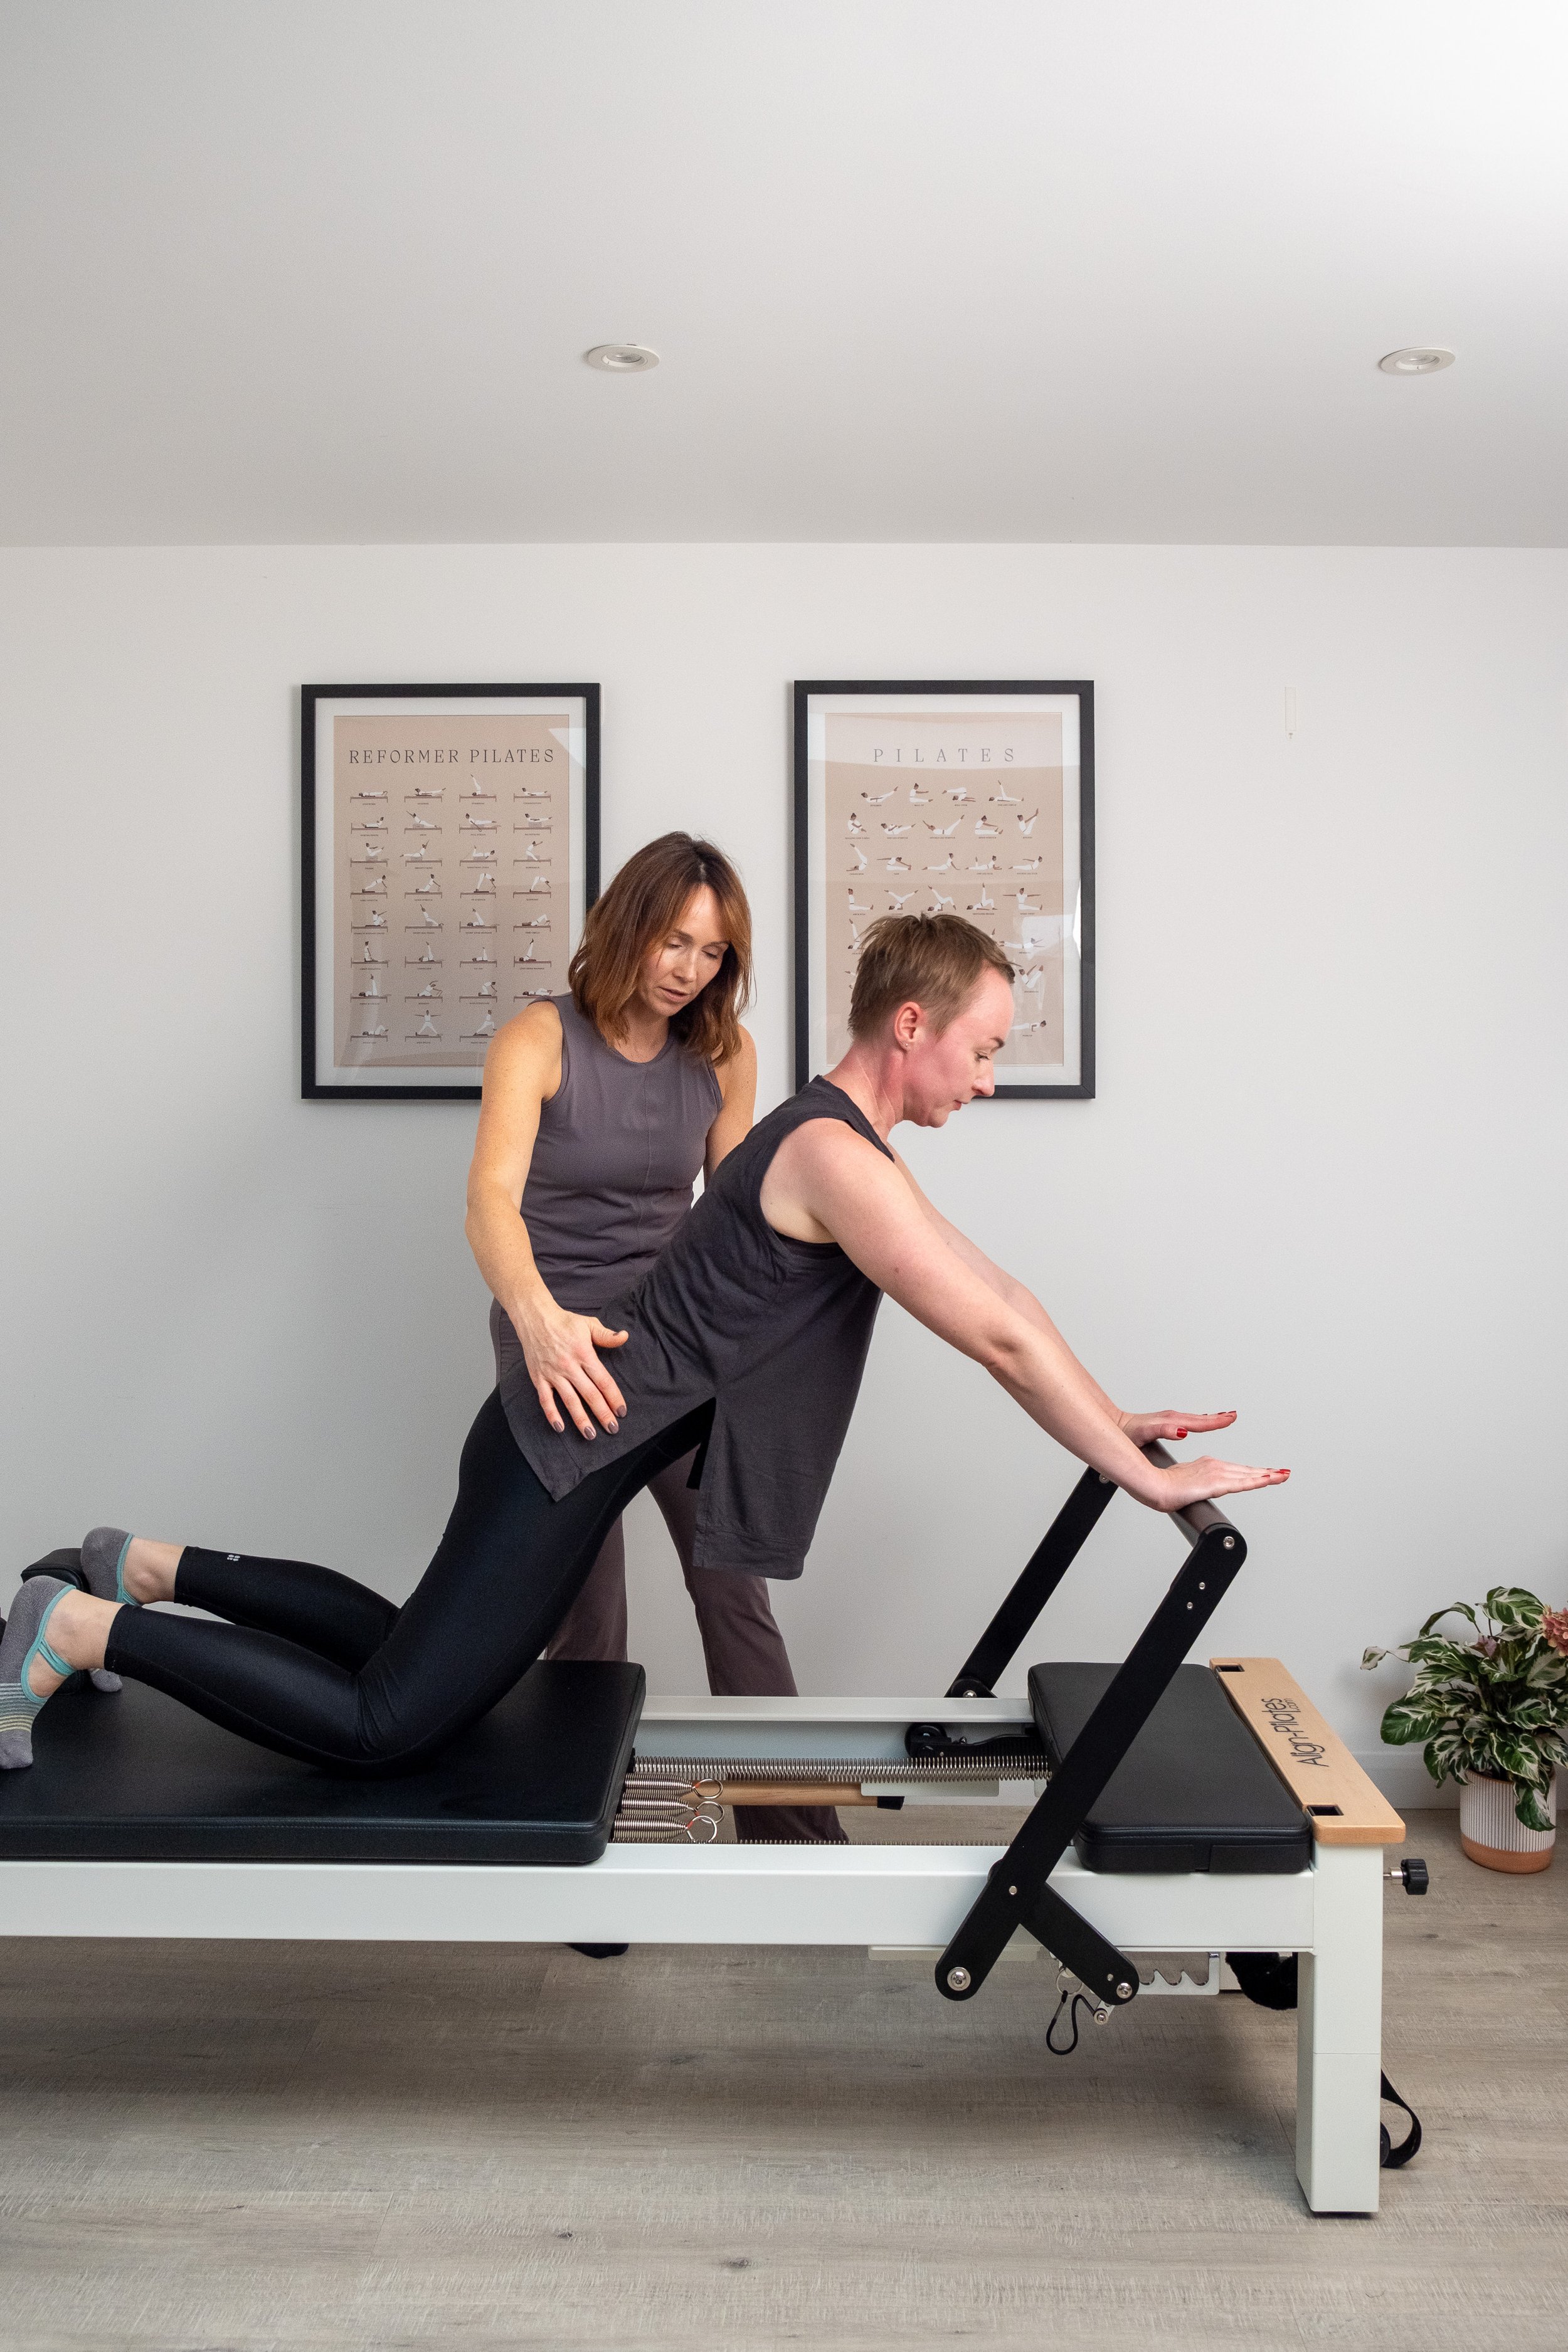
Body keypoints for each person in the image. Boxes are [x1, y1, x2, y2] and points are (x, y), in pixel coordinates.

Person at [2, 914, 1287, 1774]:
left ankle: (147, 1566)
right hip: (560, 1451)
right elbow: (997, 1335)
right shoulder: (833, 1155)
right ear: (911, 1024)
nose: (991, 1078)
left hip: (565, 1445)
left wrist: (1112, 1418)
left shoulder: (840, 1140)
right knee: (382, 1721)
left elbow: (996, 1290)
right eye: (986, 1050)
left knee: (404, 1657)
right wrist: (1147, 1478)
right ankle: (82, 1628)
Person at [464, 829, 838, 1843]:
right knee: (585, 1609)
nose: (689, 970)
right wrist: (540, 1325)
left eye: (713, 952)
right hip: (561, 1332)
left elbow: (738, 1215)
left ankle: (795, 1835)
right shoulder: (538, 1038)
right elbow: (490, 1202)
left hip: (676, 1337)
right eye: (674, 941)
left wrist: (760, 1368)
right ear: (627, 924)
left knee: (733, 1582)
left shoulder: (722, 1052)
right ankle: (575, 1827)